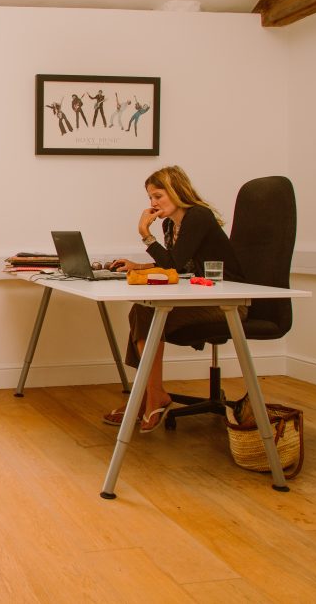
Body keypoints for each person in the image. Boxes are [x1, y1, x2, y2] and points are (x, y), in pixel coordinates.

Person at [105, 165, 245, 433]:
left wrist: (145, 234)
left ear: (176, 191)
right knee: (140, 311)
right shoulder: (172, 224)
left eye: (158, 196)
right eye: (150, 198)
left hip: (230, 303)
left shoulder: (198, 217)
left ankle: (152, 395)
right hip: (205, 295)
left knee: (147, 312)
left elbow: (175, 263)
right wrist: (140, 266)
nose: (153, 203)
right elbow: (178, 267)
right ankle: (148, 393)